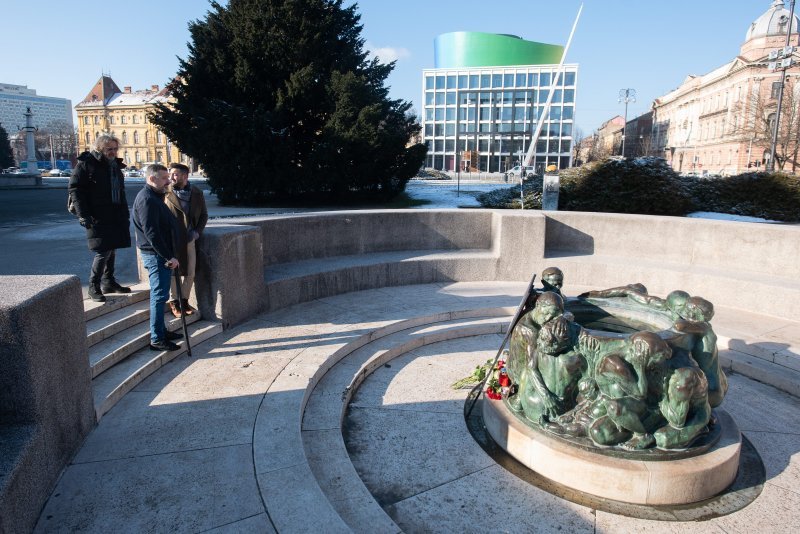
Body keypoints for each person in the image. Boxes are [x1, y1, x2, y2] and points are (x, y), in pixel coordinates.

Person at [68, 134, 131, 302]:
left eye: (115, 148)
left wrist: (125, 213)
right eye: (109, 149)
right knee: (102, 250)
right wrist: (83, 215)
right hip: (97, 215)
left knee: (112, 247)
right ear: (99, 148)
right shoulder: (87, 164)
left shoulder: (114, 166)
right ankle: (93, 286)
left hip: (115, 213)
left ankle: (108, 282)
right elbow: (75, 190)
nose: (113, 152)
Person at [132, 164, 183, 352]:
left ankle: (162, 330)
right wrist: (168, 256)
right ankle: (157, 338)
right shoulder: (147, 199)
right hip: (157, 256)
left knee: (160, 295)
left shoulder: (154, 196)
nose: (168, 181)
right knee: (159, 296)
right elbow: (151, 233)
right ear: (152, 178)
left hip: (159, 255)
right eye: (164, 178)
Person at [164, 162, 208, 318]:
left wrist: (197, 232)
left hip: (190, 239)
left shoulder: (196, 192)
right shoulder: (165, 192)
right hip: (171, 239)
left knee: (190, 271)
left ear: (185, 176)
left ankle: (184, 300)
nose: (172, 177)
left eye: (175, 174)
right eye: (171, 174)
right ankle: (174, 302)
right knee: (173, 271)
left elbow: (203, 215)